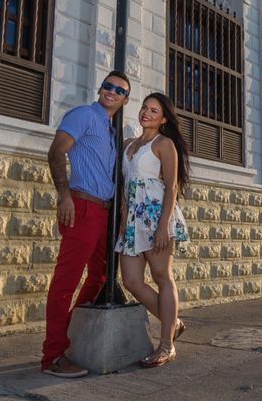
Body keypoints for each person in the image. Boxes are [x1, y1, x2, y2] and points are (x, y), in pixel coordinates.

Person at [41, 71, 130, 378]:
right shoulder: (83, 115)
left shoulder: (110, 129)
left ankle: (66, 338)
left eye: (119, 90)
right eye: (108, 85)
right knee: (66, 282)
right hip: (81, 207)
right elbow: (56, 152)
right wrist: (64, 196)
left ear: (124, 99)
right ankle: (52, 355)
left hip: (102, 212)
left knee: (102, 277)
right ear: (100, 87)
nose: (111, 91)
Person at [115, 92, 190, 368]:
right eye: (145, 108)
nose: (146, 113)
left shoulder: (164, 144)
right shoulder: (128, 144)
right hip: (132, 219)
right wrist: (123, 211)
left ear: (164, 118)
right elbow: (125, 183)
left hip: (155, 215)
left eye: (154, 110)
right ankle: (175, 323)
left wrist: (162, 227)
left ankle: (166, 345)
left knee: (162, 276)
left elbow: (170, 187)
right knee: (132, 281)